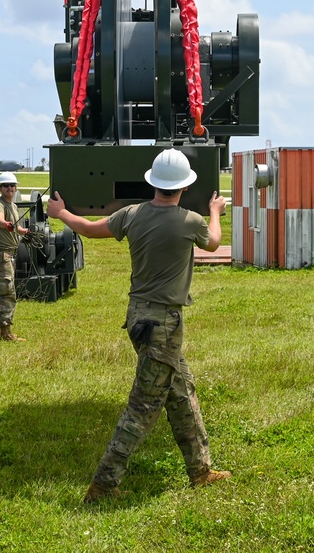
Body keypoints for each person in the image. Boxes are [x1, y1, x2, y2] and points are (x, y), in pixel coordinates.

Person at [45, 149, 231, 502]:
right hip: (163, 323)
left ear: (154, 183)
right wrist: (215, 212)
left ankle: (200, 470)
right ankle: (103, 484)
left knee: (181, 393)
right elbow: (214, 243)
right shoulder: (190, 221)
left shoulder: (131, 215)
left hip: (138, 316)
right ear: (183, 186)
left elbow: (88, 228)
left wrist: (61, 212)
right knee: (144, 407)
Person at [0, 171, 30, 341]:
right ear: (0, 188)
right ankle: (6, 333)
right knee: (6, 292)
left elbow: (17, 228)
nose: (10, 188)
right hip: (1, 255)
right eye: (6, 185)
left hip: (9, 254)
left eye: (12, 185)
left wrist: (24, 231)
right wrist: (6, 224)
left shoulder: (13, 206)